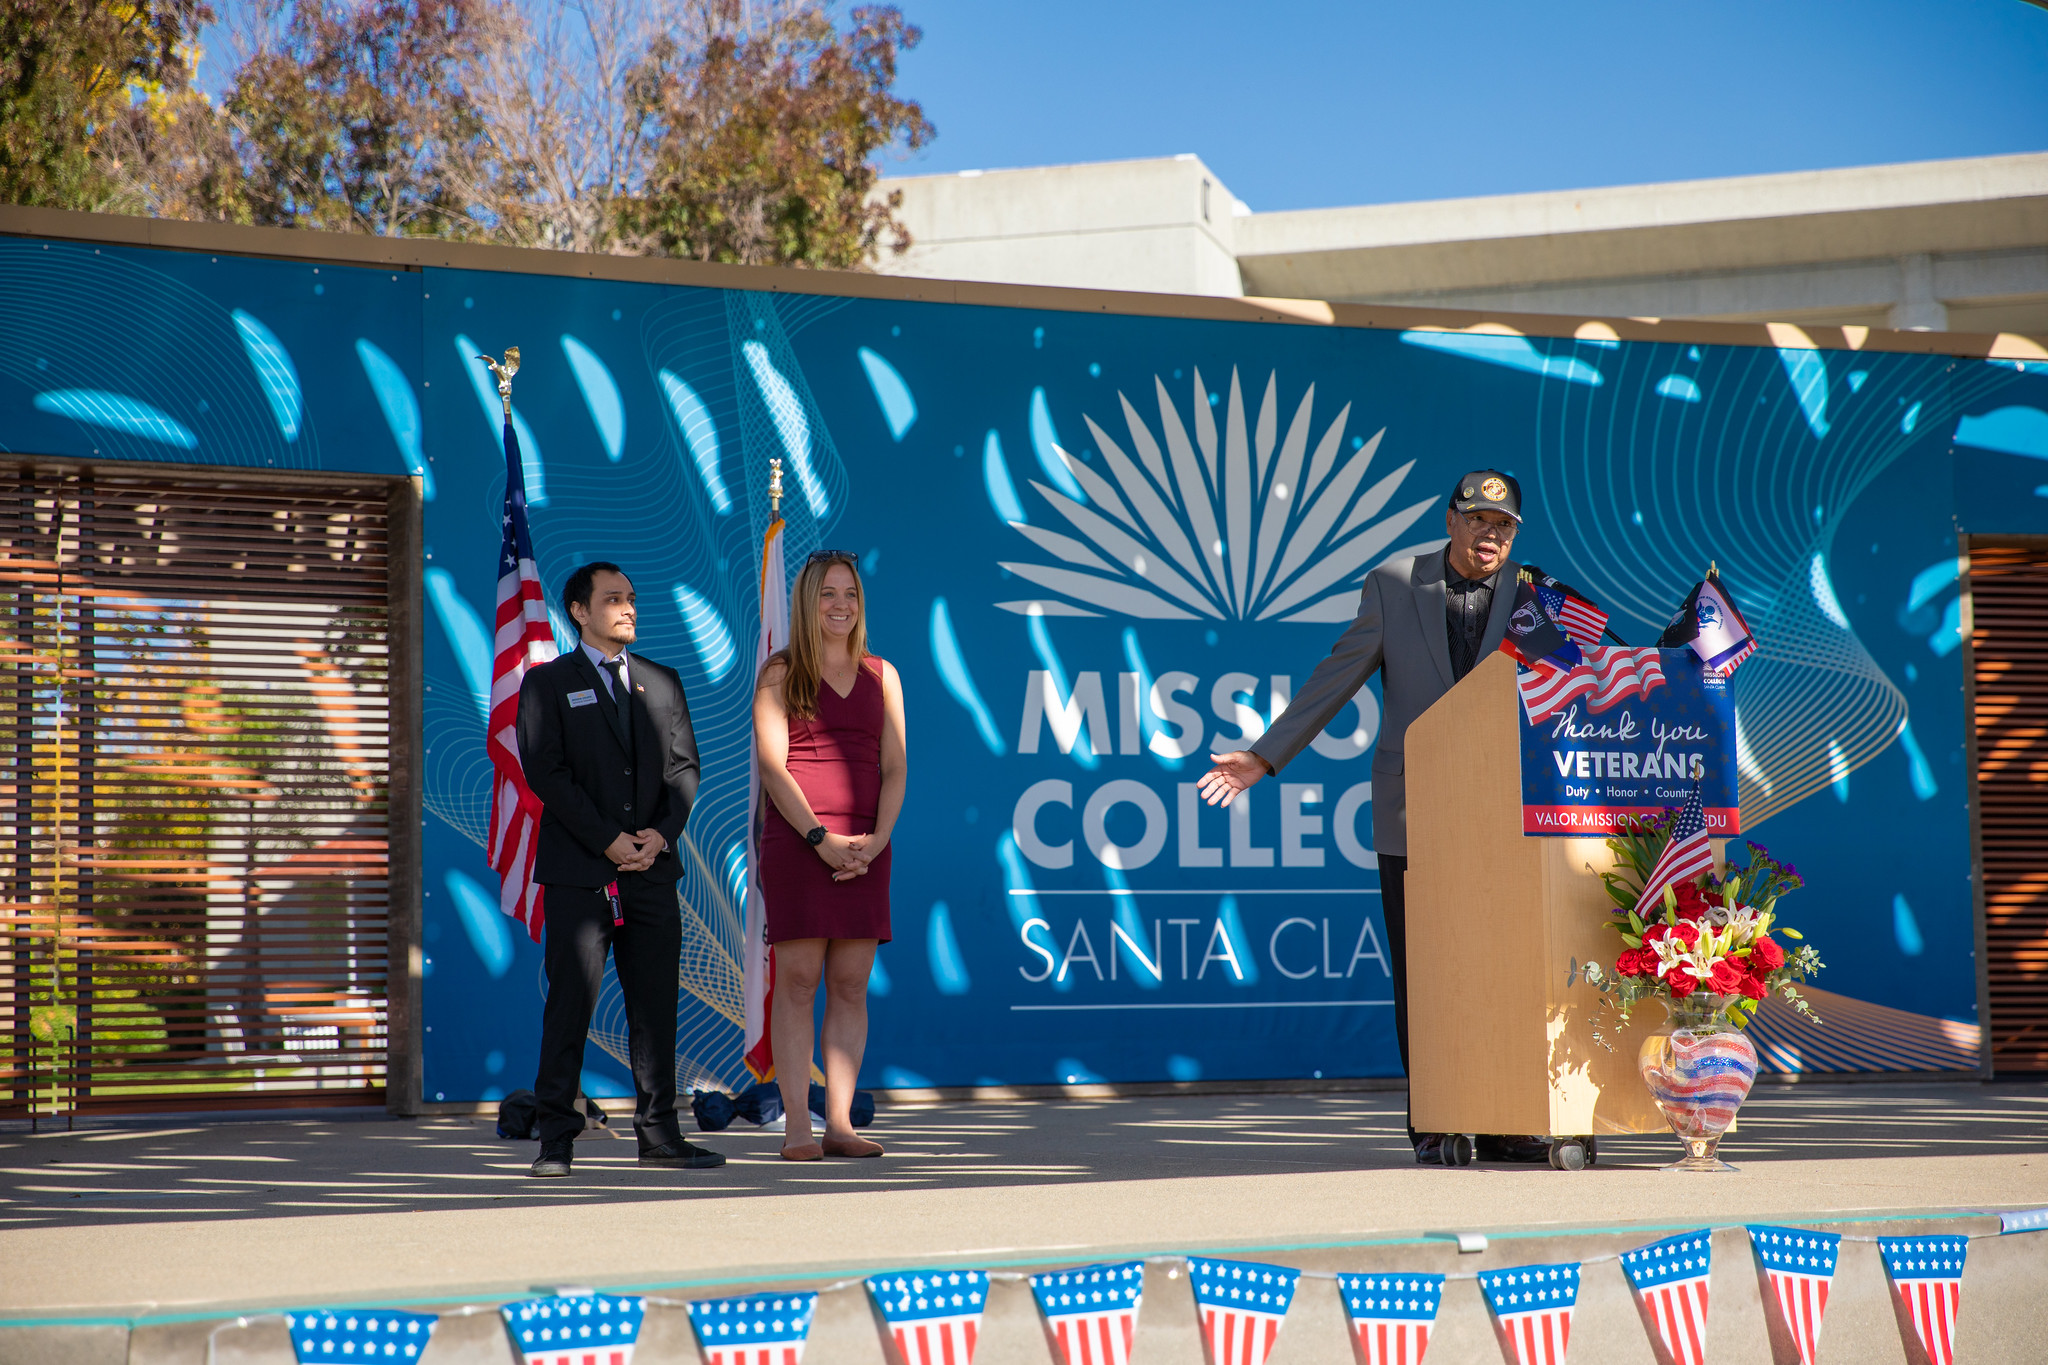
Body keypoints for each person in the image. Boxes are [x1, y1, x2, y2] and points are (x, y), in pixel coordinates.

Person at [1196, 471, 1553, 1166]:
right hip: (1413, 806)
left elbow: (1581, 678)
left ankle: (1508, 1117)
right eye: (1478, 520)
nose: (1490, 535)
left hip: (1504, 811)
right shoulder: (1394, 583)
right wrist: (1265, 756)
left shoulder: (1536, 595)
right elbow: (1337, 675)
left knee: (1505, 968)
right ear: (1451, 520)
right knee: (1427, 970)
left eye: (1503, 525)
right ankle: (1438, 1119)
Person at [517, 562, 724, 1177]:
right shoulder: (547, 683)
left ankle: (659, 1135)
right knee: (570, 1006)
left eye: (632, 597)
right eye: (613, 599)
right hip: (581, 873)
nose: (629, 607)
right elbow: (545, 771)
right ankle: (556, 1138)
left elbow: (683, 769)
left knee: (654, 1009)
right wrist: (608, 841)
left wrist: (660, 835)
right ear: (580, 612)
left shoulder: (662, 680)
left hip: (652, 871)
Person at [753, 550, 906, 1162]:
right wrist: (821, 840)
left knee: (850, 985)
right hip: (799, 845)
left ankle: (839, 1123)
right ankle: (798, 1126)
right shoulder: (780, 672)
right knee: (797, 982)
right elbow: (773, 767)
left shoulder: (884, 674)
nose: (841, 605)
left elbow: (895, 767)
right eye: (828, 594)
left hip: (866, 849)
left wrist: (877, 840)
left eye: (850, 594)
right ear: (806, 602)